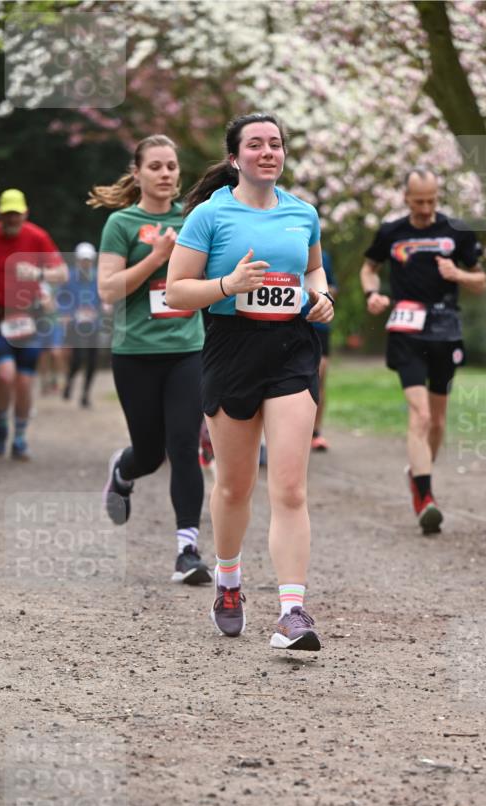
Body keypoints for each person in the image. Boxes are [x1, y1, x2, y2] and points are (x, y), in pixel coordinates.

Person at [166, 112, 334, 651]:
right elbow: (175, 292)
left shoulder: (302, 213)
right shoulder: (209, 217)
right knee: (235, 486)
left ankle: (292, 612)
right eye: (256, 144)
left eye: (276, 144)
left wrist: (322, 297)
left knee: (289, 487)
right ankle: (230, 579)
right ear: (235, 158)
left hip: (291, 352)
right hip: (231, 350)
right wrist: (227, 283)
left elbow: (313, 272)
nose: (268, 152)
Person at [90, 134, 212, 586]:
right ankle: (124, 470)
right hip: (136, 353)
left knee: (185, 447)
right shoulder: (122, 223)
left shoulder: (194, 219)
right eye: (155, 166)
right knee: (150, 453)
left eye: (171, 167)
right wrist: (156, 258)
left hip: (187, 349)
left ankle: (187, 551)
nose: (165, 174)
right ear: (137, 172)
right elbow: (107, 291)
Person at [360, 167, 486, 533]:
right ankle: (426, 497)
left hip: (446, 330)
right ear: (406, 198)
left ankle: (417, 473)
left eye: (431, 201)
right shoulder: (391, 232)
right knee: (420, 416)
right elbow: (368, 269)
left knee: (438, 421)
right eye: (419, 202)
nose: (426, 208)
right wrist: (373, 294)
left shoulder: (456, 231)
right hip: (406, 329)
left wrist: (459, 275)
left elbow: (481, 280)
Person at [0, 189, 67, 459]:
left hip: (29, 319)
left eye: (16, 214)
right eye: (7, 214)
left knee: (24, 382)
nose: (12, 219)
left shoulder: (37, 237)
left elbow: (61, 272)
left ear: (25, 213)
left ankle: (20, 436)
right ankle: (2, 423)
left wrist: (39, 273)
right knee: (4, 374)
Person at [59, 241, 104, 408]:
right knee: (77, 358)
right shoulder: (69, 277)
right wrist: (68, 313)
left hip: (94, 323)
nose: (86, 263)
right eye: (83, 260)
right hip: (75, 323)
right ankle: (69, 381)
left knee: (93, 360)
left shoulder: (98, 276)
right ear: (77, 260)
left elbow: (104, 297)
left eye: (88, 260)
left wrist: (102, 307)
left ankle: (86, 394)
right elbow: (62, 298)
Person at [310, 248, 337, 451]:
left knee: (318, 378)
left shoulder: (323, 255)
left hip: (318, 326)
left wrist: (323, 297)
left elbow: (332, 288)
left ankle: (315, 432)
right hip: (287, 323)